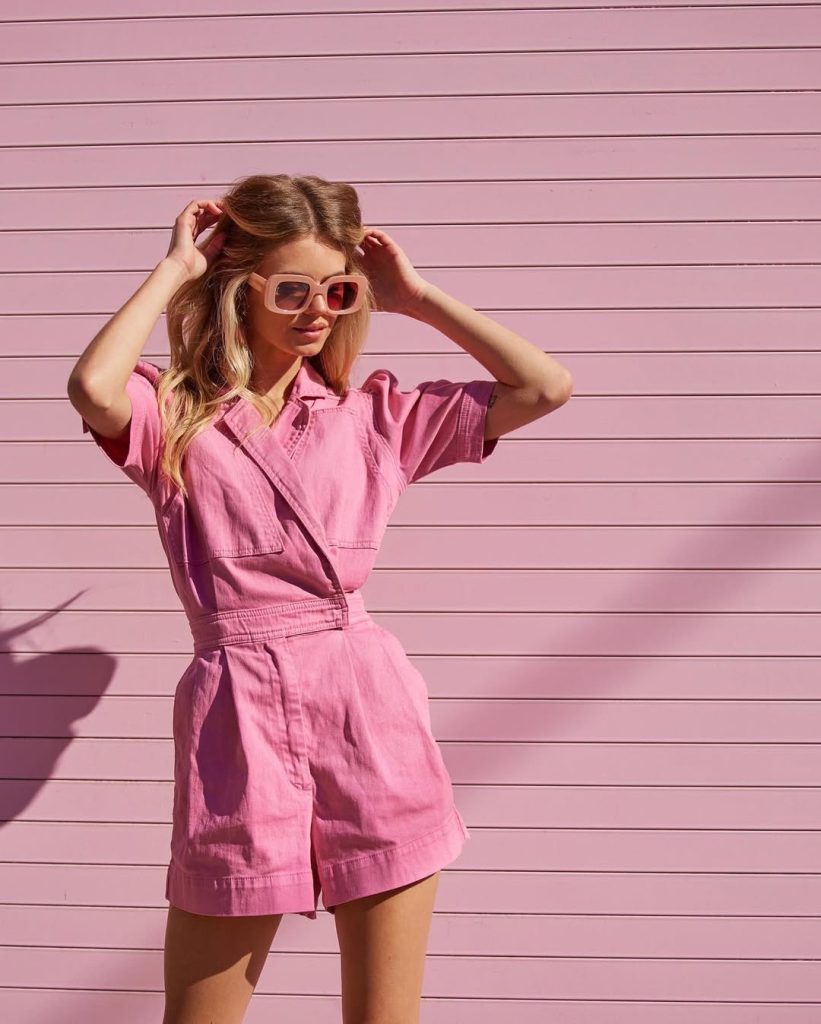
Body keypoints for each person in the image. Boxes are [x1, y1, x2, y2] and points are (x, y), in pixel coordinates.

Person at [66, 173, 574, 1024]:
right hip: (237, 713)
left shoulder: (373, 416)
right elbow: (93, 390)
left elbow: (543, 387)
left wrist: (417, 299)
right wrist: (175, 271)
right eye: (291, 290)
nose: (317, 312)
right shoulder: (177, 413)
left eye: (337, 292)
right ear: (240, 288)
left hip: (366, 713)